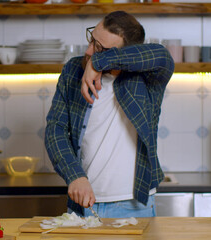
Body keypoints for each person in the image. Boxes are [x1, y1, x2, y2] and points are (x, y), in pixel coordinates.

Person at [45, 11, 174, 218]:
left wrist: (98, 62)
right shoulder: (72, 71)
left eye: (100, 48)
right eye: (92, 40)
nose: (88, 51)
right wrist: (75, 176)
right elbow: (55, 130)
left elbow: (162, 55)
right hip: (83, 204)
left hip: (135, 205)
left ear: (123, 54)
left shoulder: (147, 77)